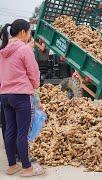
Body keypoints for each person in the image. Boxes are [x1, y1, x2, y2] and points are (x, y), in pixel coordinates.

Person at [0, 19, 44, 176]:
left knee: (10, 130)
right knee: (23, 133)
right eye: (29, 31)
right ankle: (27, 168)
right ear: (23, 32)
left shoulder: (2, 50)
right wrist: (35, 85)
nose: (30, 35)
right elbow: (33, 72)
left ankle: (12, 165)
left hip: (5, 96)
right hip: (21, 95)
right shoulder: (24, 50)